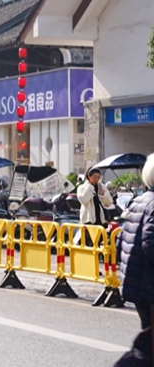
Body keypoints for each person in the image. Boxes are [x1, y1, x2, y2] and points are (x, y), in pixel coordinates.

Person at [114, 153, 154, 367]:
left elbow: (121, 242)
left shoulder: (138, 201)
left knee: (148, 341)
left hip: (137, 282)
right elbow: (151, 244)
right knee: (147, 347)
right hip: (149, 283)